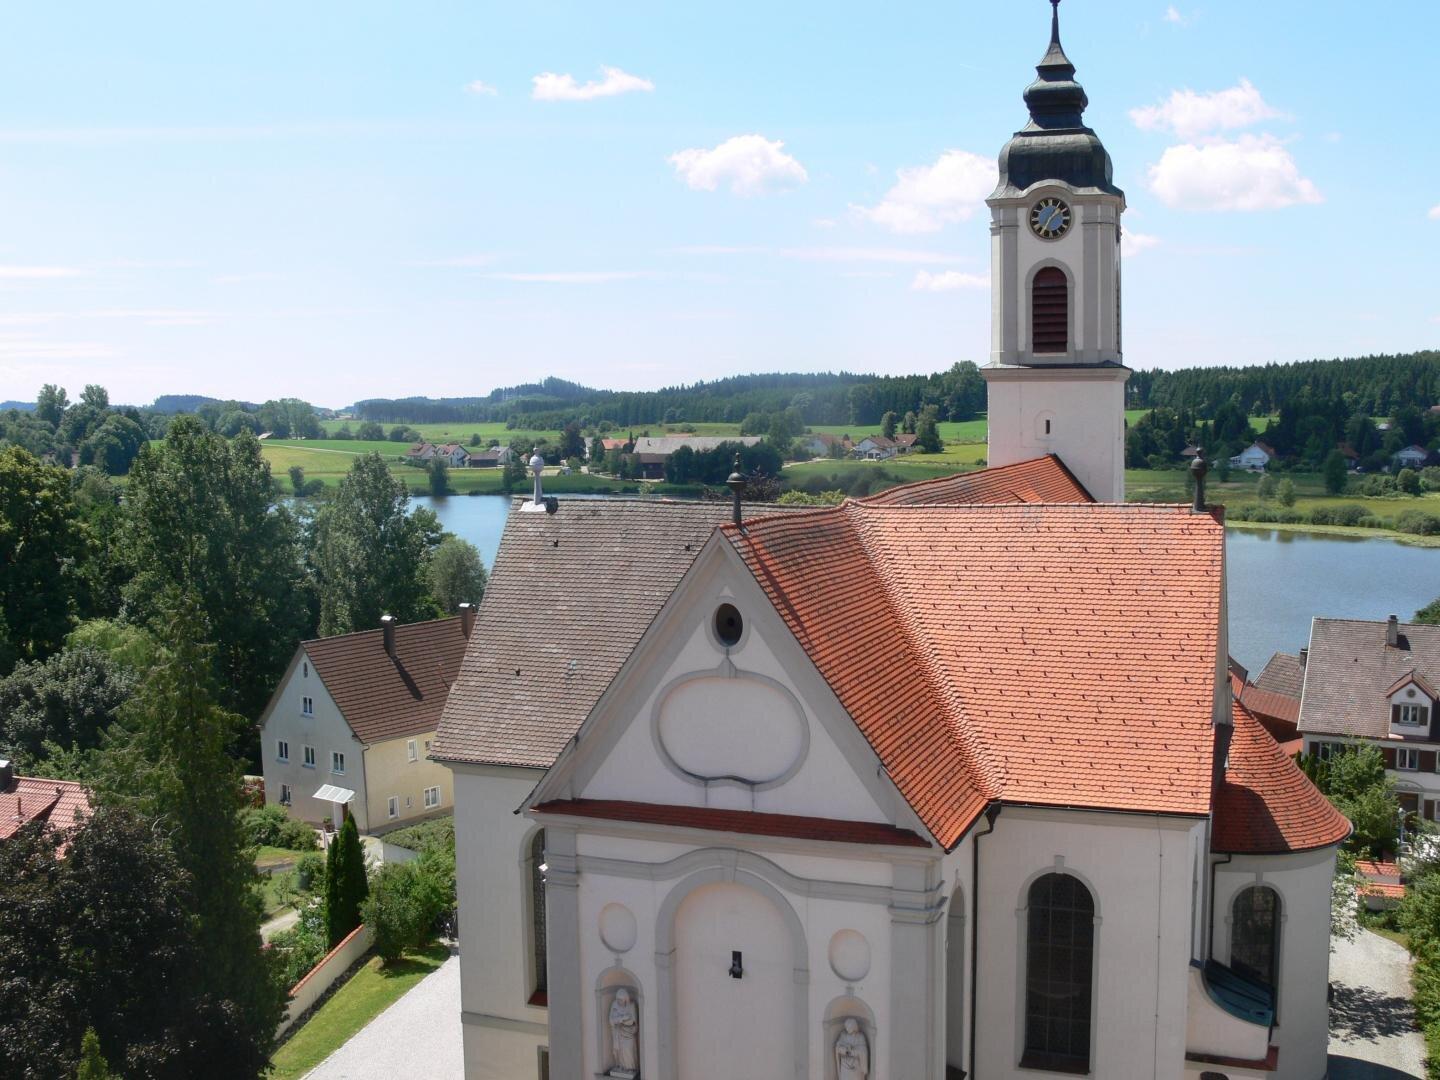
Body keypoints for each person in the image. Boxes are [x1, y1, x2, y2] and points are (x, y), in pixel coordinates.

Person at [609, 987, 639, 1075]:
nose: (619, 1002)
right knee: (619, 1050)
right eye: (618, 1000)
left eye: (621, 1000)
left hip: (628, 1033)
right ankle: (621, 1066)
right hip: (617, 1033)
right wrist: (622, 1019)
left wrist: (622, 1020)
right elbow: (611, 1020)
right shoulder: (614, 1005)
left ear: (626, 999)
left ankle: (631, 1068)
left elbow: (633, 1020)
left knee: (628, 1049)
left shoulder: (631, 1005)